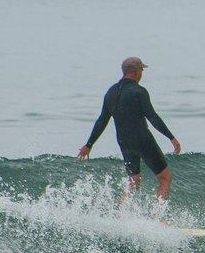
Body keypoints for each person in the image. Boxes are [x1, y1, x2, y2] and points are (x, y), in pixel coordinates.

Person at [77, 57, 181, 203]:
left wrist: (89, 145)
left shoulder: (111, 92)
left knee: (134, 182)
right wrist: (171, 138)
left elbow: (102, 120)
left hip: (124, 142)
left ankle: (120, 215)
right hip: (142, 140)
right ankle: (159, 219)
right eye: (142, 70)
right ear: (136, 71)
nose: (142, 73)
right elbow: (152, 117)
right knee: (165, 178)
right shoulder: (139, 91)